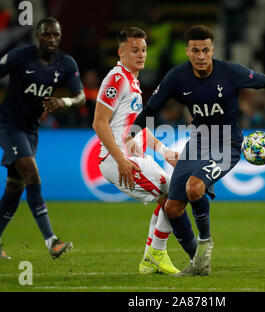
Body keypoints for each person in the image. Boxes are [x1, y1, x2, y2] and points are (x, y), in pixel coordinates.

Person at [129, 25, 265, 276]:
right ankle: (198, 261)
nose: (201, 56)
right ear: (187, 52)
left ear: (212, 50)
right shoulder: (176, 77)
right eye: (195, 51)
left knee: (194, 188)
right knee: (172, 208)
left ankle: (205, 242)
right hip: (198, 141)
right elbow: (150, 110)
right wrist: (131, 133)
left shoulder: (229, 72)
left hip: (229, 144)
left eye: (205, 50)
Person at [0, 17, 86, 259]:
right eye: (46, 35)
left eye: (55, 35)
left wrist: (64, 101)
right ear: (37, 36)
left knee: (15, 185)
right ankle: (52, 241)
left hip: (31, 129)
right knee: (32, 175)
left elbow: (81, 97)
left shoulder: (66, 63)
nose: (51, 39)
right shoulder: (20, 56)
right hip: (8, 125)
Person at [92, 27, 180, 275]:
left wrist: (164, 150)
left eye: (143, 49)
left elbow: (135, 128)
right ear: (121, 53)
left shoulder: (133, 81)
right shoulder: (116, 80)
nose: (141, 54)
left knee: (174, 192)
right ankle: (157, 254)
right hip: (117, 159)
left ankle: (149, 260)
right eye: (134, 50)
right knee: (174, 198)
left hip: (133, 156)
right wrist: (120, 160)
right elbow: (99, 122)